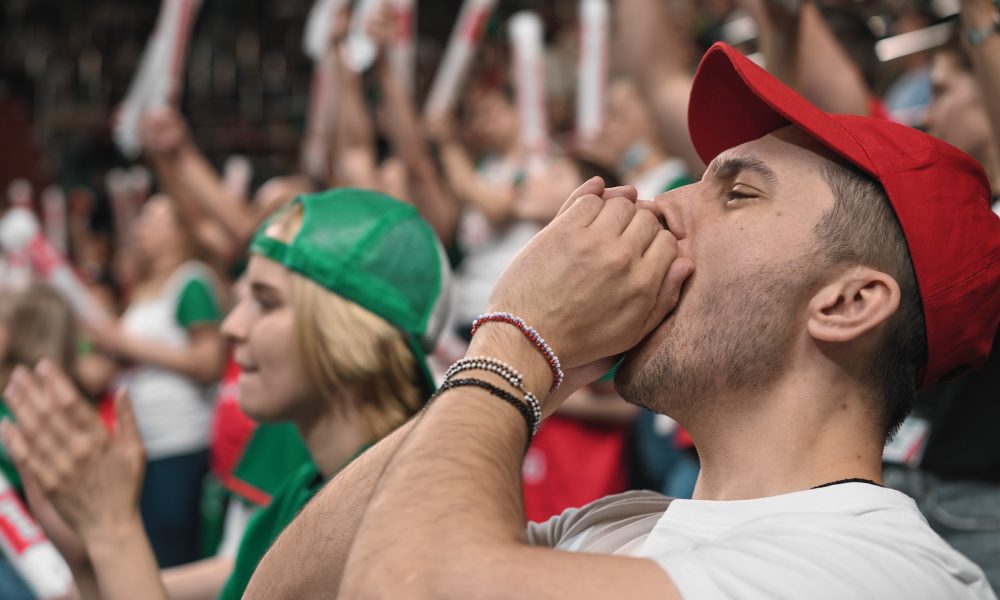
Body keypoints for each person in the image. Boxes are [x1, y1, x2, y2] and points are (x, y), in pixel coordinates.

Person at [242, 42, 998, 599]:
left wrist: (519, 341)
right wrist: (554, 360)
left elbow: (402, 584)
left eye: (736, 194)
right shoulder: (616, 524)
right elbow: (288, 591)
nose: (654, 203)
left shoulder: (870, 570)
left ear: (847, 304)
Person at [0, 187, 451, 599]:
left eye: (267, 302)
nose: (233, 327)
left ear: (352, 335)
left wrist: (111, 532)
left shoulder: (389, 515)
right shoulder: (302, 491)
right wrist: (87, 559)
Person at [84, 194, 226, 567]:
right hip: (144, 442)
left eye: (154, 219)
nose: (141, 226)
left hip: (179, 439)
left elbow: (209, 360)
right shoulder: (145, 288)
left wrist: (125, 343)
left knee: (172, 553)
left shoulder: (191, 281)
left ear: (180, 231)